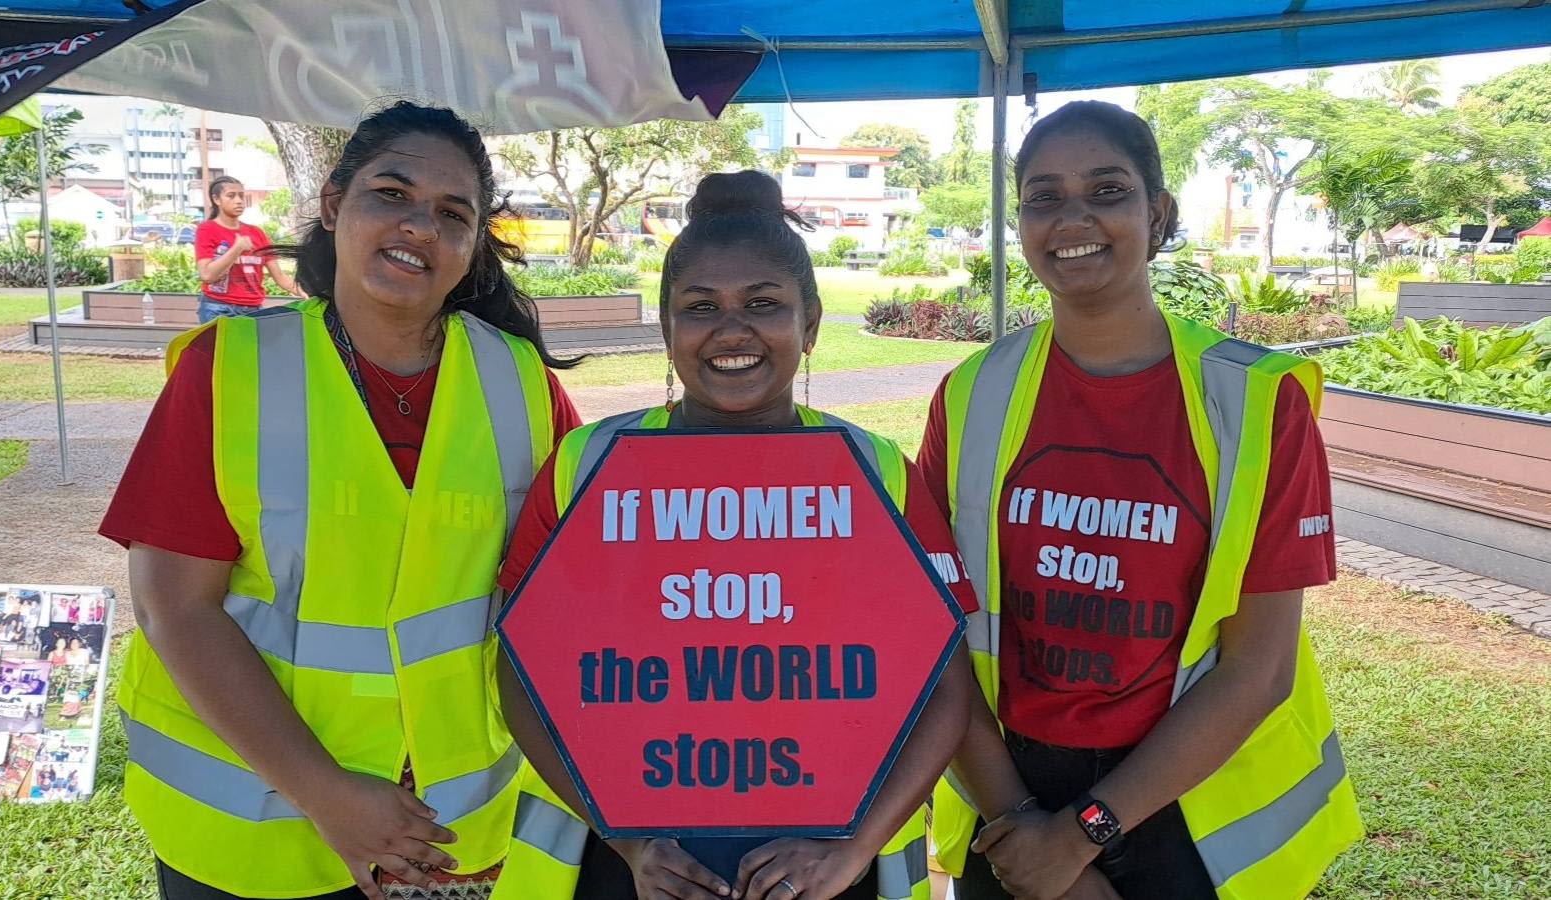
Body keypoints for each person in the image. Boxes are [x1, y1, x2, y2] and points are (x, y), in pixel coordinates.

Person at [101, 101, 583, 900]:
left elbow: (579, 586)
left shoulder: (522, 386)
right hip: (249, 827)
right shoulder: (232, 369)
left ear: (473, 243)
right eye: (391, 193)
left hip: (443, 828)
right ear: (334, 204)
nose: (419, 226)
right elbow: (174, 608)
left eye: (451, 213)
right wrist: (330, 798)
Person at [491, 171, 978, 900]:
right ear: (666, 327)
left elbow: (947, 686)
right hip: (629, 868)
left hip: (830, 868)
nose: (731, 330)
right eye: (700, 307)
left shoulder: (877, 472)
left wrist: (850, 852)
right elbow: (521, 667)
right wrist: (628, 843)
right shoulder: (586, 466)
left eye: (763, 304)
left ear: (810, 324)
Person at [927, 102, 1363, 900]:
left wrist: (1080, 836)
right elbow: (936, 640)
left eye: (1106, 190)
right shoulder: (970, 395)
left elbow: (1259, 667)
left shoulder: (1258, 402)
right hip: (1011, 797)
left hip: (1184, 806)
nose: (1073, 218)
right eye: (1043, 196)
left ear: (1157, 214)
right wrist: (1027, 826)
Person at [195, 175, 303, 323]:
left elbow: (280, 278)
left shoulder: (257, 233)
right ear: (216, 199)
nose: (239, 201)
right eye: (231, 196)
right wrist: (236, 249)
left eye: (241, 195)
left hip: (253, 310)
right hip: (218, 309)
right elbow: (207, 275)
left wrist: (305, 292)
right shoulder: (207, 229)